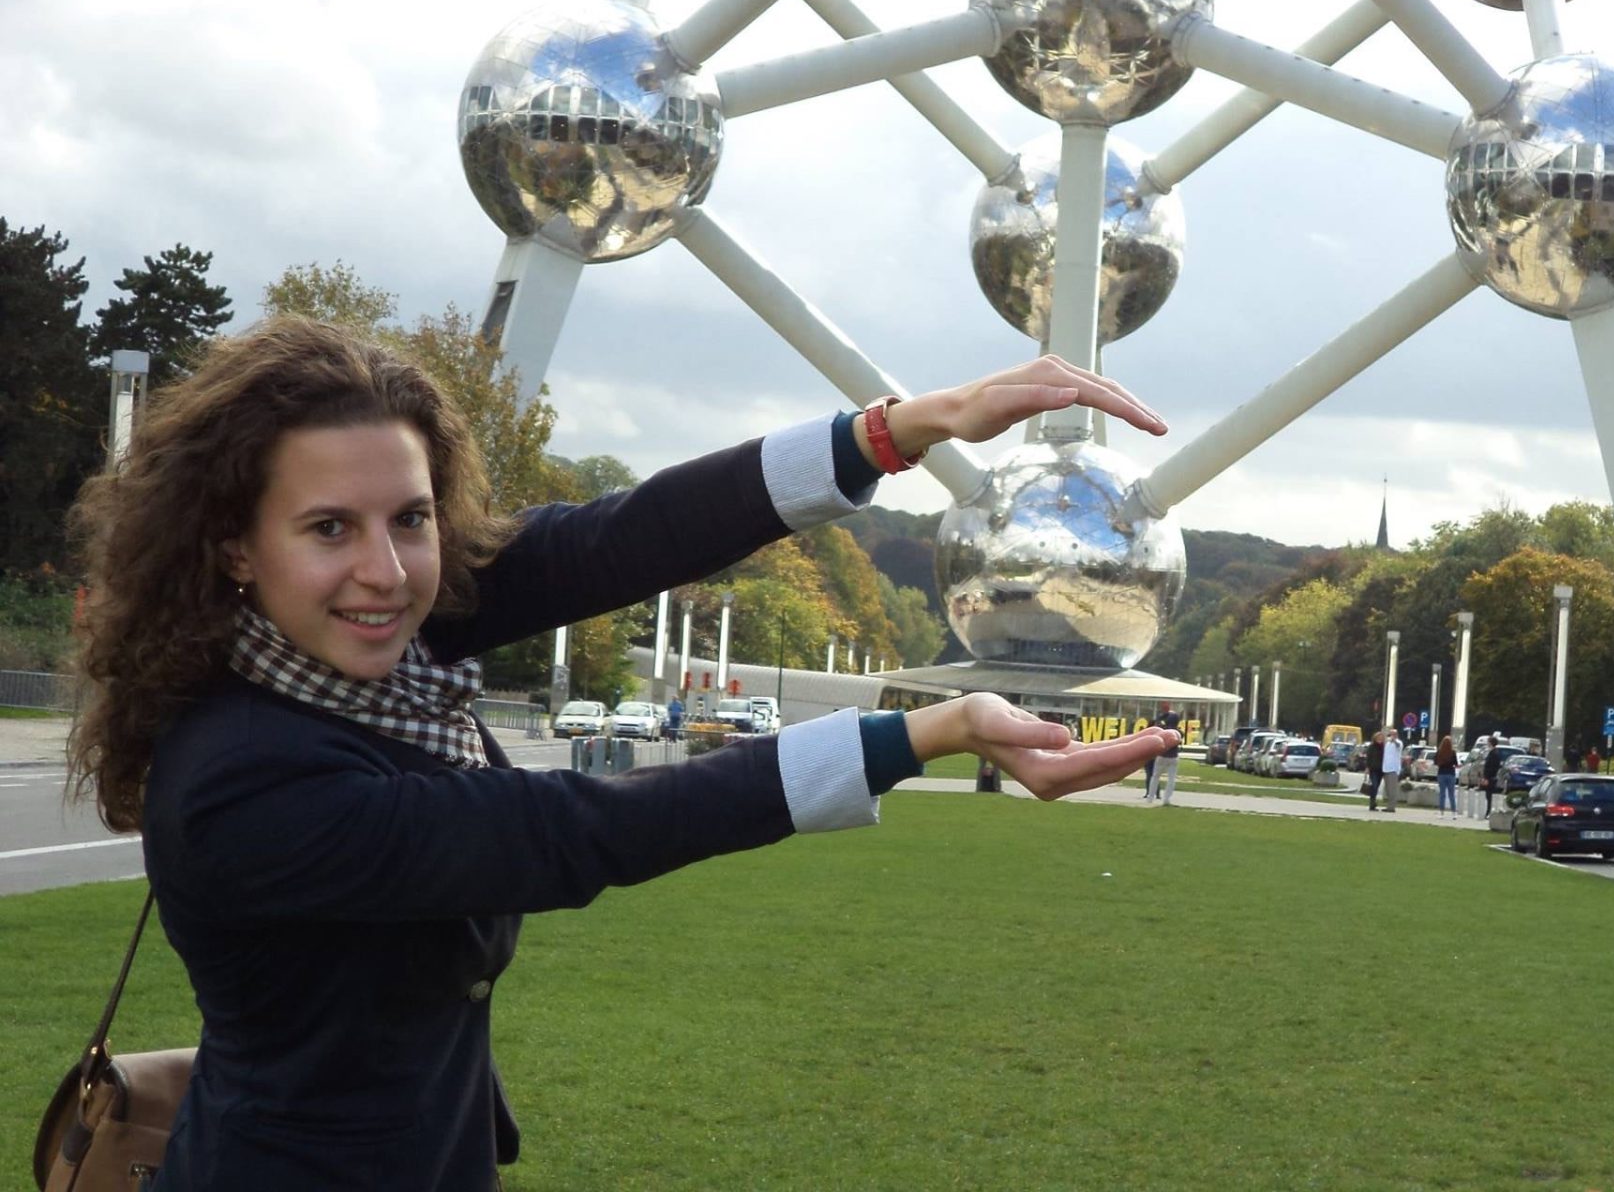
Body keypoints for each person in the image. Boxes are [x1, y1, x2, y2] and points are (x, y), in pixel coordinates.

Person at [64, 321, 1178, 1191]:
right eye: (328, 528)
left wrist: (897, 429)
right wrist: (917, 732)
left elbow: (617, 537)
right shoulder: (243, 777)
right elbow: (577, 832)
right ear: (235, 549)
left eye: (411, 518)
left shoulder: (378, 653)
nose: (388, 572)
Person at [1434, 735, 1458, 819]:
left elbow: (1436, 762)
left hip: (1441, 773)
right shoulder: (1453, 752)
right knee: (1451, 794)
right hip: (1451, 774)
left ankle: (1441, 813)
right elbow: (1455, 763)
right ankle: (1454, 813)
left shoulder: (1439, 752)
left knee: (1442, 794)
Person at [1380, 728, 1404, 813]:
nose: (1392, 736)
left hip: (1393, 769)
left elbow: (1398, 746)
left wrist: (1394, 740)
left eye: (1394, 734)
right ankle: (1388, 806)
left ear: (1397, 735)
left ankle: (1391, 807)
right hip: (1386, 768)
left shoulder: (1399, 742)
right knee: (1388, 789)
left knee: (1392, 789)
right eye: (1391, 734)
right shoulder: (1387, 743)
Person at [1365, 730, 1386, 811]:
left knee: (1376, 786)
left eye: (1381, 738)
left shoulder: (1384, 747)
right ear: (1375, 738)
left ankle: (1373, 803)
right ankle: (1372, 802)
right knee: (1374, 785)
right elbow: (1368, 757)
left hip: (1381, 770)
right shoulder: (1372, 746)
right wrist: (1367, 767)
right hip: (1373, 769)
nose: (1380, 739)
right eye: (1378, 738)